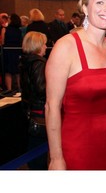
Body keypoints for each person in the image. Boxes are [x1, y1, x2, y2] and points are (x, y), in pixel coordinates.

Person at [45, 0, 106, 170]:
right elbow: (51, 106)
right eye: (100, 2)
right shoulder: (66, 47)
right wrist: (56, 158)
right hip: (77, 148)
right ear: (85, 8)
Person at [19, 31, 48, 170]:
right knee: (39, 155)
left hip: (31, 111)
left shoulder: (25, 62)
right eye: (44, 44)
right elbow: (42, 89)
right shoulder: (38, 63)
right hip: (41, 112)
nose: (46, 47)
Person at [1, 13, 22, 91]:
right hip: (17, 51)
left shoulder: (4, 29)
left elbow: (2, 42)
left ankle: (9, 89)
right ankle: (19, 88)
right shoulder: (19, 31)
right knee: (17, 71)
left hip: (7, 51)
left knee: (8, 71)